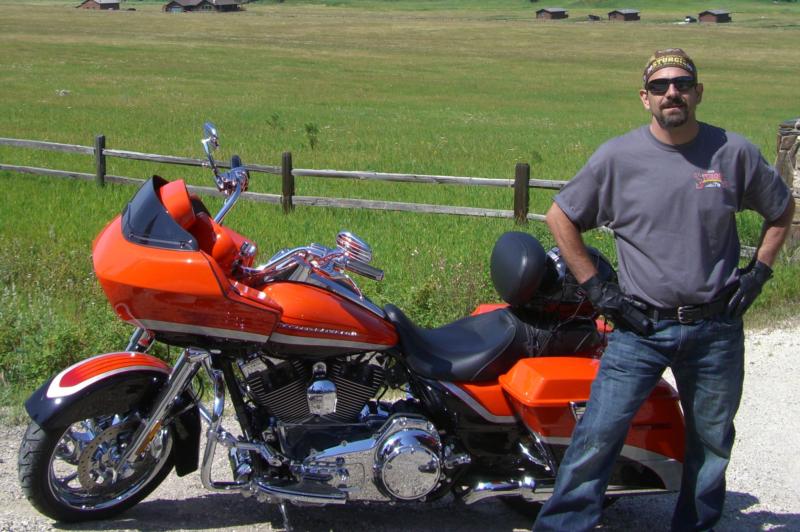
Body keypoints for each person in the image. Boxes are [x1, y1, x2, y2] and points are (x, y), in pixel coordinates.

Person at [532, 48, 795, 532]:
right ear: (644, 98)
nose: (671, 92)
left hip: (715, 326)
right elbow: (560, 215)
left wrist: (759, 272)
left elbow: (781, 210)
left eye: (681, 83)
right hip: (638, 326)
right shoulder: (618, 157)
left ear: (698, 92)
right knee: (597, 436)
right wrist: (596, 288)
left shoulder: (732, 153)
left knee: (712, 442)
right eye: (659, 86)